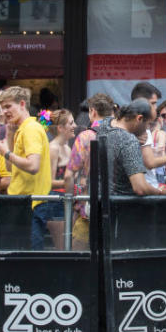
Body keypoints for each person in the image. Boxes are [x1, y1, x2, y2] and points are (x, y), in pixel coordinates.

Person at [0, 87, 55, 248]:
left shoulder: (30, 129)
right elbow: (10, 168)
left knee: (29, 254)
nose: (5, 111)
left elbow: (33, 166)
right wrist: (9, 136)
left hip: (31, 203)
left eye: (8, 106)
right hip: (23, 201)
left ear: (22, 104)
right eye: (2, 108)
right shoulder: (22, 129)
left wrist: (6, 152)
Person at [64, 93, 115, 248]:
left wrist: (70, 202)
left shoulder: (85, 137)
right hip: (115, 206)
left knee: (82, 258)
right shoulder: (121, 135)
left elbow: (69, 175)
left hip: (88, 208)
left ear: (92, 111)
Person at [95, 98, 166, 196]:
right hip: (121, 205)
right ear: (139, 119)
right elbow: (140, 187)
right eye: (148, 124)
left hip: (98, 199)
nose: (148, 129)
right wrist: (159, 192)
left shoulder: (105, 124)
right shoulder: (129, 141)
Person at [131, 82, 166, 185]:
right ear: (141, 103)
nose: (155, 108)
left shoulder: (138, 127)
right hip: (145, 189)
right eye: (152, 103)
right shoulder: (140, 128)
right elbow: (150, 163)